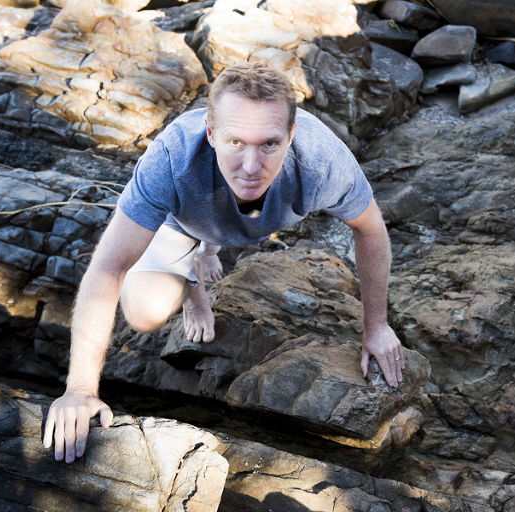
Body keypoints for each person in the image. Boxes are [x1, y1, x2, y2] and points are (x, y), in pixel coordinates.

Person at [42, 62, 405, 463]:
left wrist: (376, 326)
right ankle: (193, 279)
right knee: (144, 313)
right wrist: (80, 389)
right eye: (235, 142)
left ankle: (208, 250)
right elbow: (107, 267)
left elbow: (371, 230)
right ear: (211, 134)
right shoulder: (172, 158)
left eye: (269, 144)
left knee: (225, 228)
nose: (251, 166)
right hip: (186, 221)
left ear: (291, 135)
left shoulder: (322, 162)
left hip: (248, 222)